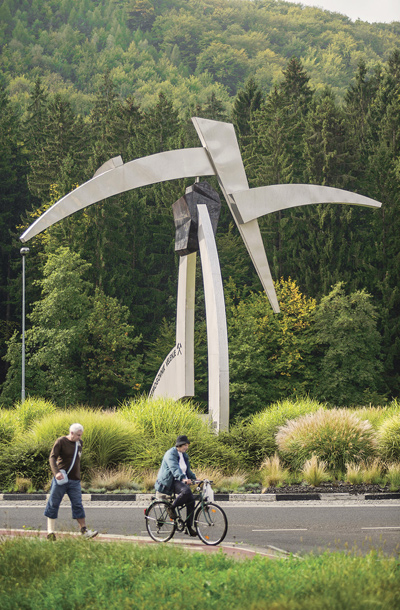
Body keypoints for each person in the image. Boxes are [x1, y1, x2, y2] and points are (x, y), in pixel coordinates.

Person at [44, 423, 98, 540]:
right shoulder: (61, 441)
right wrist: (56, 472)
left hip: (74, 481)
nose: (80, 437)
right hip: (61, 479)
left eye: (81, 435)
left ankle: (84, 531)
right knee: (53, 503)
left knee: (78, 504)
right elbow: (52, 457)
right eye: (78, 435)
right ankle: (50, 532)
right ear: (71, 433)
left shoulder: (80, 443)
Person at [155, 435, 197, 536]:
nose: (186, 447)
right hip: (169, 481)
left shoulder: (184, 455)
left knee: (191, 501)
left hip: (178, 480)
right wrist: (183, 478)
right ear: (179, 445)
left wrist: (195, 479)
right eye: (185, 445)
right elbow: (174, 469)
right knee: (186, 491)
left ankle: (188, 527)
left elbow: (187, 470)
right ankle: (171, 508)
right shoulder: (170, 454)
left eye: (187, 445)